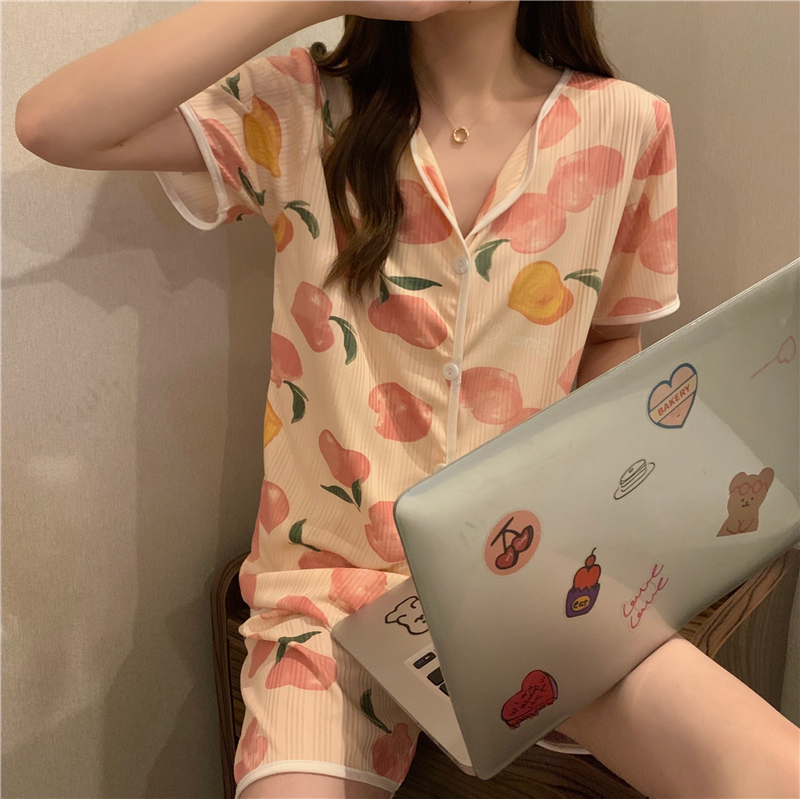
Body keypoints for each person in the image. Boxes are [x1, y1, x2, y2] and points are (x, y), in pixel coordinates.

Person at [15, 2, 799, 798]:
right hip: (325, 603)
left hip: (536, 582)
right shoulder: (302, 107)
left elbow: (607, 345)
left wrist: (610, 541)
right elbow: (54, 124)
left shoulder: (627, 124)